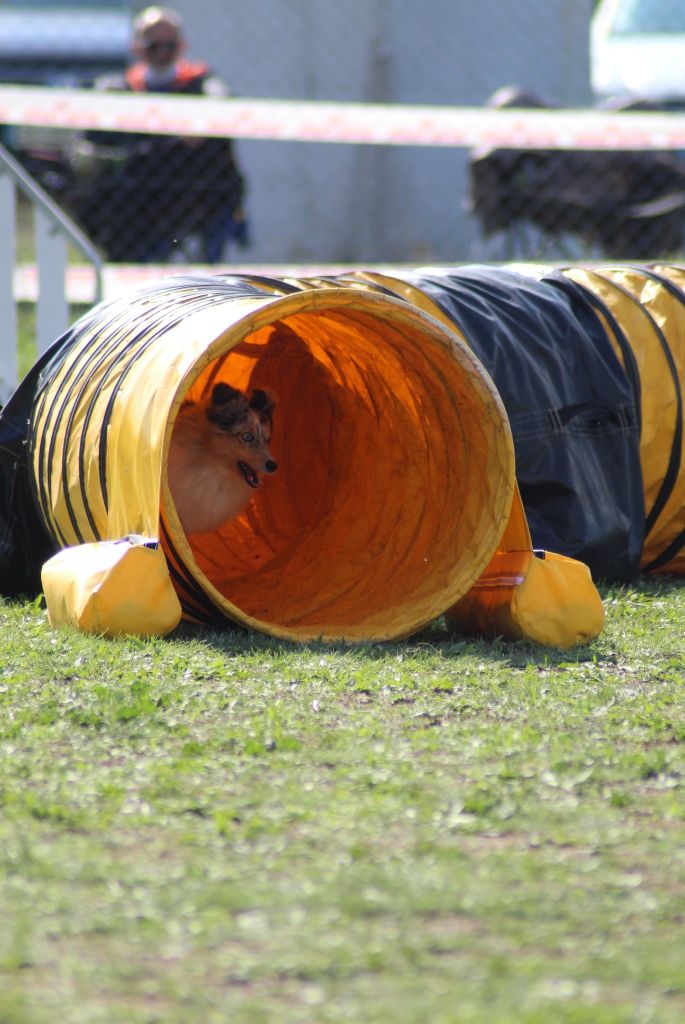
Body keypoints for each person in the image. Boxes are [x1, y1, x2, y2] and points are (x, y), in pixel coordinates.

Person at [69, 5, 248, 263]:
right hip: (136, 195)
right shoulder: (118, 89)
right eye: (153, 45)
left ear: (182, 46)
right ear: (137, 47)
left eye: (170, 45)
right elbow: (96, 144)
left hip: (192, 192)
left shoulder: (202, 85)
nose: (162, 53)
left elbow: (224, 107)